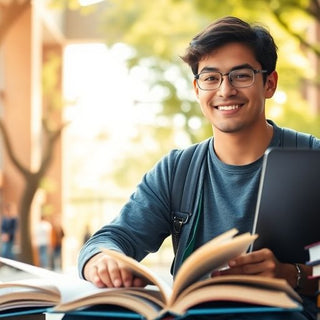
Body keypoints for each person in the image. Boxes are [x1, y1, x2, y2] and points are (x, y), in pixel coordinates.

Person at [76, 17, 320, 320]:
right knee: (90, 313)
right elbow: (110, 238)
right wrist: (102, 260)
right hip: (191, 314)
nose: (225, 90)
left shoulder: (312, 158)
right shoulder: (176, 171)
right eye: (211, 78)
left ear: (269, 83)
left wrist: (292, 274)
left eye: (241, 75)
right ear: (197, 88)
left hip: (279, 315)